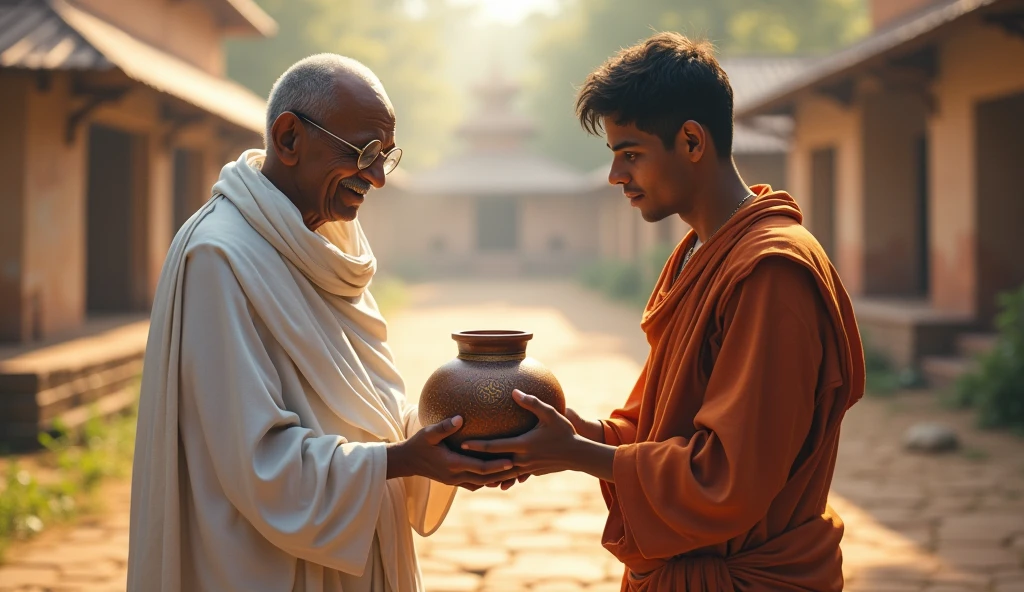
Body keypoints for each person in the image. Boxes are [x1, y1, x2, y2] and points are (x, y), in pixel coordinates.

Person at [462, 32, 866, 591]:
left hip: (752, 575)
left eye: (630, 154)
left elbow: (729, 476)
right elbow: (660, 423)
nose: (616, 176)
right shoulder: (700, 251)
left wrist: (578, 454)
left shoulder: (772, 270)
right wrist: (579, 434)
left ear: (693, 141)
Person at [127, 54, 518, 592]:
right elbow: (254, 458)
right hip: (270, 562)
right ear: (289, 138)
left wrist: (449, 434)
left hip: (357, 547)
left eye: (386, 156)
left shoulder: (330, 243)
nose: (378, 177)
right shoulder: (220, 256)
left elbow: (361, 407)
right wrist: (398, 461)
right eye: (363, 152)